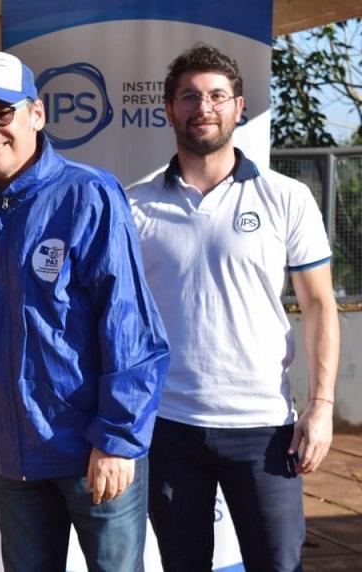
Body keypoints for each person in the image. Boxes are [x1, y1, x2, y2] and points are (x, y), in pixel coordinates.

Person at [0, 50, 170, 572]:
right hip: (14, 458)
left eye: (2, 113)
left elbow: (129, 325)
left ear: (36, 114)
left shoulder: (88, 195)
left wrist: (118, 441)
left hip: (94, 451)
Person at [128, 44, 340, 571]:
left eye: (217, 96)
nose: (205, 107)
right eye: (190, 97)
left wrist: (321, 406)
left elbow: (318, 305)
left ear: (239, 106)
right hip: (168, 426)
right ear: (169, 109)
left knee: (277, 565)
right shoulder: (134, 205)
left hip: (265, 430)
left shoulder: (286, 197)